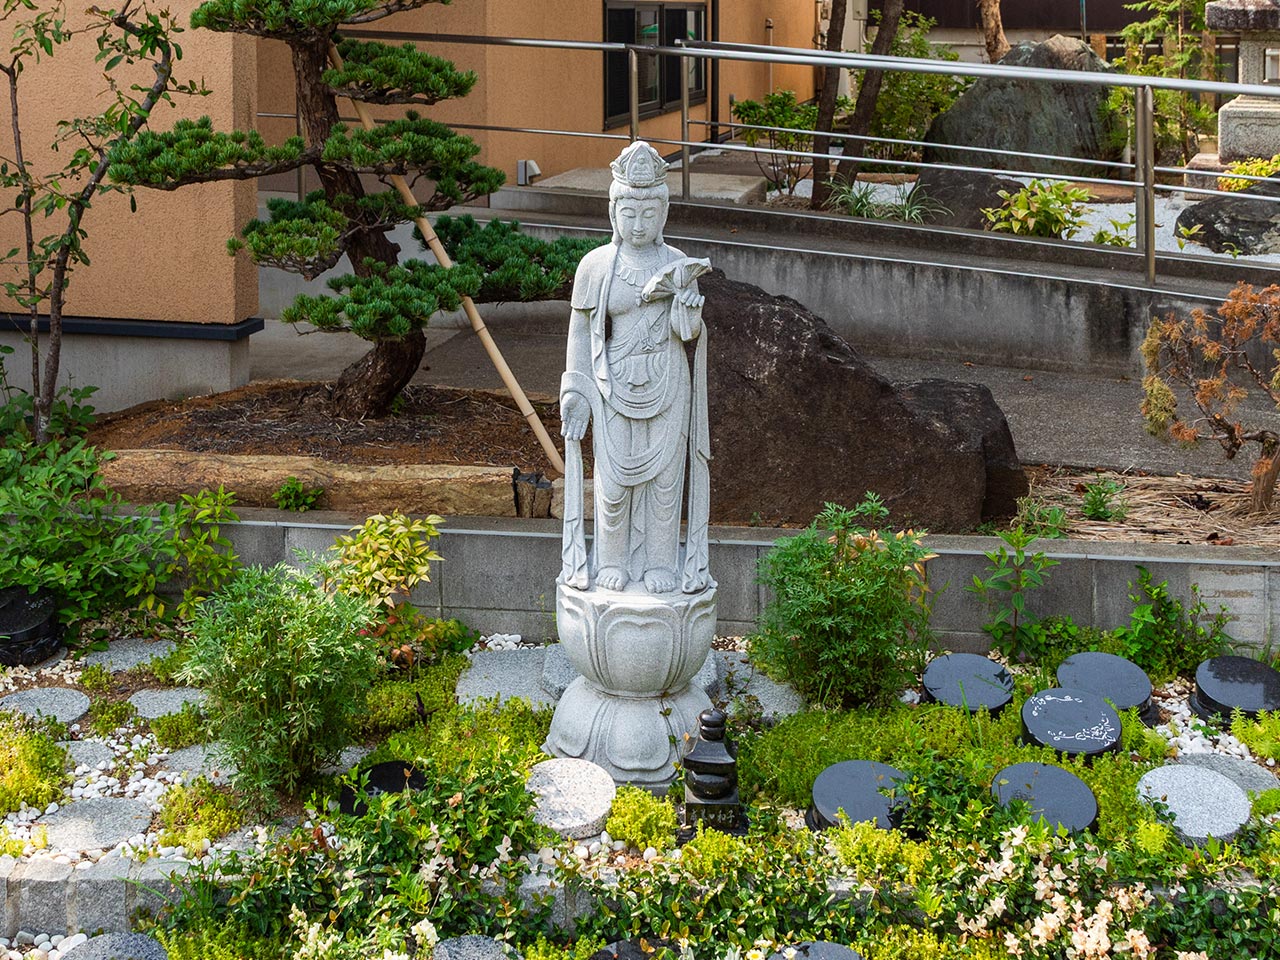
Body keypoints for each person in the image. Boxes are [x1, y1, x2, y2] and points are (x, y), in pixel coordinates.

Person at [559, 141, 713, 595]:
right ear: (613, 213)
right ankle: (613, 561)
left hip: (667, 381)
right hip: (613, 384)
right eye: (630, 213)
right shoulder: (597, 266)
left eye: (649, 213)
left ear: (663, 213)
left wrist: (689, 312)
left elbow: (687, 335)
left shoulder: (676, 263)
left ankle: (661, 563)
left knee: (665, 485)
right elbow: (579, 333)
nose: (639, 224)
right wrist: (575, 393)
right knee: (611, 485)